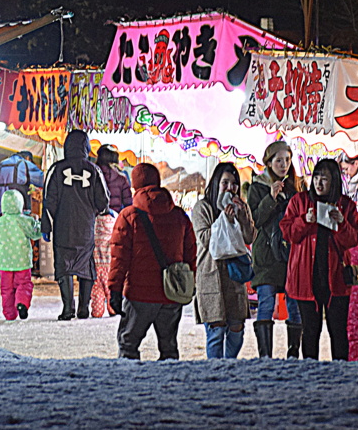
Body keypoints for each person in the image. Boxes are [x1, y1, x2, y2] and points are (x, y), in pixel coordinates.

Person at [108, 163, 196, 360]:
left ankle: (130, 386)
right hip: (171, 292)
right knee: (169, 348)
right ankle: (169, 387)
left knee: (128, 344)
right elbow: (190, 254)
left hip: (139, 294)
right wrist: (190, 282)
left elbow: (119, 258)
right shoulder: (179, 215)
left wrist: (114, 290)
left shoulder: (128, 216)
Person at [280, 158, 358, 360]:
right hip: (305, 278)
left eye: (324, 179)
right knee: (310, 332)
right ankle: (310, 376)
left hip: (336, 280)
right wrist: (304, 221)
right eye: (316, 177)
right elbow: (287, 232)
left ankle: (340, 374)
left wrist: (342, 223)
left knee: (339, 332)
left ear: (334, 180)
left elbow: (355, 240)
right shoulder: (299, 202)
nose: (318, 183)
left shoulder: (346, 205)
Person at [41, 129, 109, 320]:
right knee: (86, 266)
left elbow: (48, 201)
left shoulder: (56, 169)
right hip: (86, 228)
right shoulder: (94, 170)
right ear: (86, 147)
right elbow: (103, 202)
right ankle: (84, 309)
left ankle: (67, 309)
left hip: (62, 228)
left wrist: (46, 226)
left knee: (64, 267)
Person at [193, 162, 256, 359]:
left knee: (237, 330)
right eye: (225, 182)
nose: (230, 188)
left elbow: (249, 237)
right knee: (216, 331)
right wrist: (223, 218)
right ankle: (216, 372)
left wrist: (243, 217)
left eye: (234, 183)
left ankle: (229, 364)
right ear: (215, 184)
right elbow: (204, 238)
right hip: (211, 275)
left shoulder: (239, 207)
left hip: (234, 274)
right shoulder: (202, 207)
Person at [247, 141, 304, 359]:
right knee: (266, 302)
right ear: (269, 162)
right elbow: (255, 220)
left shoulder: (297, 187)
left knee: (294, 303)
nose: (284, 165)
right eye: (279, 160)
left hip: (291, 255)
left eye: (287, 160)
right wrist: (270, 197)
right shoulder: (257, 187)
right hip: (267, 256)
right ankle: (265, 356)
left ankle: (293, 354)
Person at [0, 190, 42, 320]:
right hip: (22, 261)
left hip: (4, 262)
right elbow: (36, 233)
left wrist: (1, 247)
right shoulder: (26, 221)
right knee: (24, 284)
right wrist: (38, 223)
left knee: (6, 289)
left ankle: (9, 314)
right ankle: (22, 303)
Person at [91, 206, 117, 318]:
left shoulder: (94, 226)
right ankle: (113, 309)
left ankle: (97, 311)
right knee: (110, 289)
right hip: (110, 266)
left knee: (97, 291)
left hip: (96, 265)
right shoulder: (113, 228)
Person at [97, 145, 132, 213]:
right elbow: (128, 203)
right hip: (115, 218)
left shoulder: (91, 175)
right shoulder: (121, 178)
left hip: (95, 219)